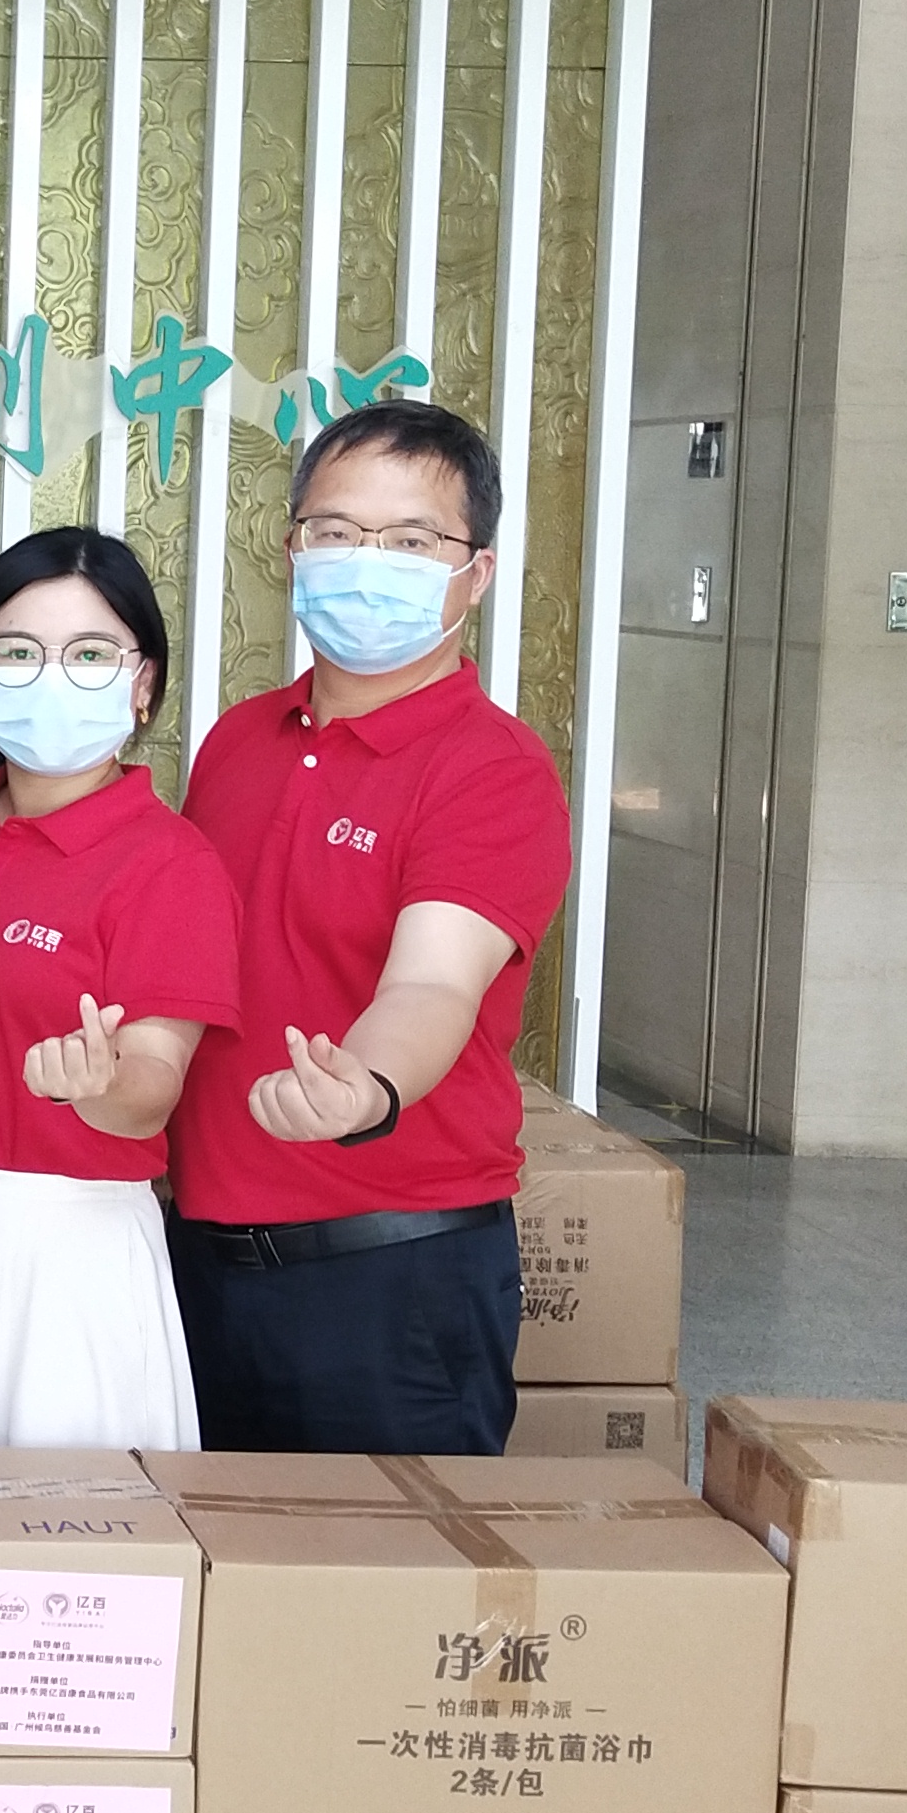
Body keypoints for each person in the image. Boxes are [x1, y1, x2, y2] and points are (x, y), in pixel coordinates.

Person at [167, 397, 573, 1455]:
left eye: (410, 542)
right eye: (336, 532)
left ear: (475, 574)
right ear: (293, 550)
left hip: (390, 1279)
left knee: (382, 1561)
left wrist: (368, 1087)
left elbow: (434, 982)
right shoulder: (239, 742)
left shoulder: (492, 769)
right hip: (198, 1257)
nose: (365, 563)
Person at [0, 528, 241, 1449]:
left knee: (55, 1522)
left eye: (91, 654)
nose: (52, 676)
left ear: (143, 683)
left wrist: (101, 1086)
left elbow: (154, 1084)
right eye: (18, 652)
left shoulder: (170, 866)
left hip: (69, 1258)